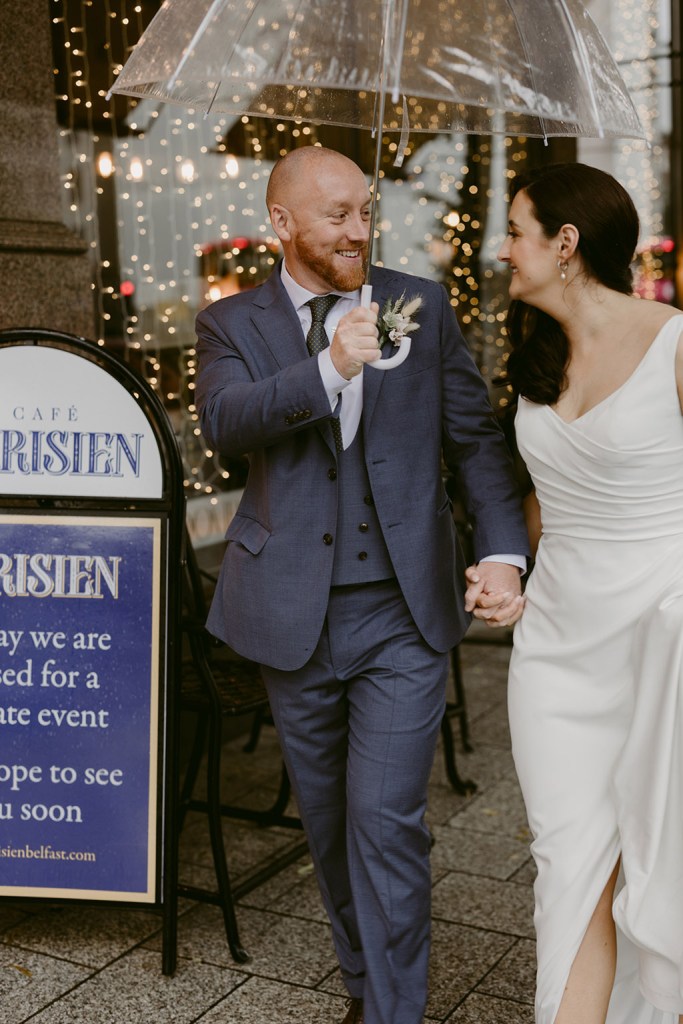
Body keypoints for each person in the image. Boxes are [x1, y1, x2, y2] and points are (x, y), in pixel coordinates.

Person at [195, 145, 529, 1024]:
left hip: (401, 614)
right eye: (336, 214)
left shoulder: (418, 304)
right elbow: (226, 425)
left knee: (386, 822)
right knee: (330, 826)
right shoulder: (231, 324)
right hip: (287, 612)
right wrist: (328, 368)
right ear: (282, 224)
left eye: (364, 210)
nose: (358, 228)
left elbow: (475, 446)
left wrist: (503, 550)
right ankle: (361, 981)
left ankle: (392, 1011)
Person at [489, 161, 683, 1024]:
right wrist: (504, 572)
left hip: (663, 636)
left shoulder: (674, 341)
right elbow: (540, 500)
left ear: (564, 243)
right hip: (557, 651)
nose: (501, 250)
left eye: (515, 230)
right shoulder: (531, 349)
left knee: (661, 862)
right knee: (568, 864)